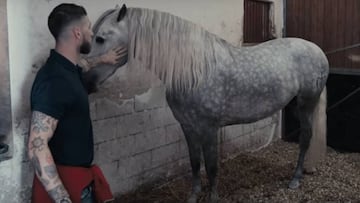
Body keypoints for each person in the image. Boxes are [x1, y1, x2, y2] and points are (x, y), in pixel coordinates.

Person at [28, 3, 126, 203]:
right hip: (68, 186)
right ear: (77, 33)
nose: (92, 33)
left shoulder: (66, 68)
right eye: (89, 27)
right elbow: (36, 147)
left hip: (80, 180)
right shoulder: (53, 80)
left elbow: (82, 65)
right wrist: (63, 199)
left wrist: (102, 59)